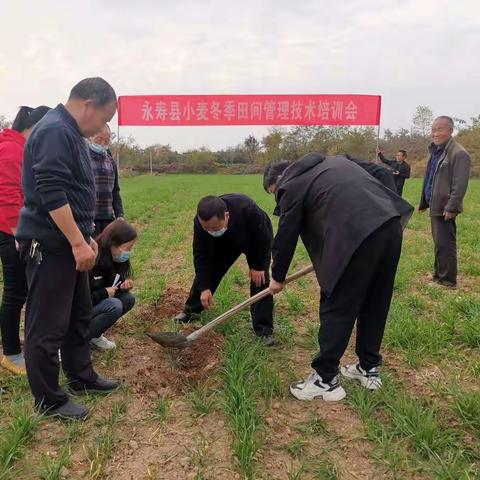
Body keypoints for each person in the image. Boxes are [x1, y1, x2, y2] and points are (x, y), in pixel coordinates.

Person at [264, 153, 413, 401]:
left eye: (275, 193)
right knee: (375, 302)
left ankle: (325, 380)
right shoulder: (335, 162)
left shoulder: (291, 184)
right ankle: (368, 368)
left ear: (280, 180)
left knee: (338, 305)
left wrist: (277, 276)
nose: (279, 198)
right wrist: (380, 215)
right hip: (389, 227)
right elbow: (383, 173)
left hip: (354, 237)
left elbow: (286, 234)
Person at [16, 77, 119, 420]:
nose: (103, 127)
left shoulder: (71, 133)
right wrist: (76, 241)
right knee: (46, 327)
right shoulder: (56, 131)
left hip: (71, 243)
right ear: (89, 105)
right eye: (105, 117)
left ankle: (81, 376)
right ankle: (49, 400)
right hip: (50, 246)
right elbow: (51, 190)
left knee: (78, 315)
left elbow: (73, 194)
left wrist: (86, 235)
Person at [173, 194, 275, 346]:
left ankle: (263, 330)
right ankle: (192, 311)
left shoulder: (247, 209)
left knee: (259, 280)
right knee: (210, 271)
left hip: (254, 240)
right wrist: (204, 287)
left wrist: (258, 265)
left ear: (226, 216)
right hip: (223, 243)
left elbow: (264, 237)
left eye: (214, 228)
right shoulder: (201, 224)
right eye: (206, 228)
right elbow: (200, 256)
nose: (210, 231)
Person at [0, 105, 50, 375]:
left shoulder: (21, 148)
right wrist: (19, 234)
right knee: (15, 293)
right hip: (11, 235)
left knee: (24, 291)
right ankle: (10, 353)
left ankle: (17, 345)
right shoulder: (11, 150)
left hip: (21, 232)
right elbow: (8, 197)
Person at [419, 116, 470, 288]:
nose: (435, 133)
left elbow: (459, 185)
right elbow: (431, 178)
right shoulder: (437, 151)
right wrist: (424, 202)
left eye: (439, 129)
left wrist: (452, 207)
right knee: (439, 243)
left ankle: (447, 281)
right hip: (435, 206)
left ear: (450, 130)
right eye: (433, 130)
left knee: (445, 243)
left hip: (445, 208)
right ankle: (438, 275)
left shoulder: (459, 153)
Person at [89, 219, 136, 350]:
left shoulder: (112, 258)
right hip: (78, 310)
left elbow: (110, 282)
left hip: (95, 303)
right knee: (114, 305)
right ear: (113, 243)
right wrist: (104, 293)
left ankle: (94, 335)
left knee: (128, 299)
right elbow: (79, 298)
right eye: (127, 248)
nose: (129, 252)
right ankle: (75, 339)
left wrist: (121, 286)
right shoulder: (92, 258)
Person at [89, 124, 124, 237]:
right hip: (90, 219)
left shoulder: (111, 162)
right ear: (91, 136)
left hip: (108, 218)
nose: (103, 144)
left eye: (106, 140)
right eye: (99, 139)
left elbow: (115, 191)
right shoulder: (82, 159)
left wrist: (120, 215)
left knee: (107, 253)